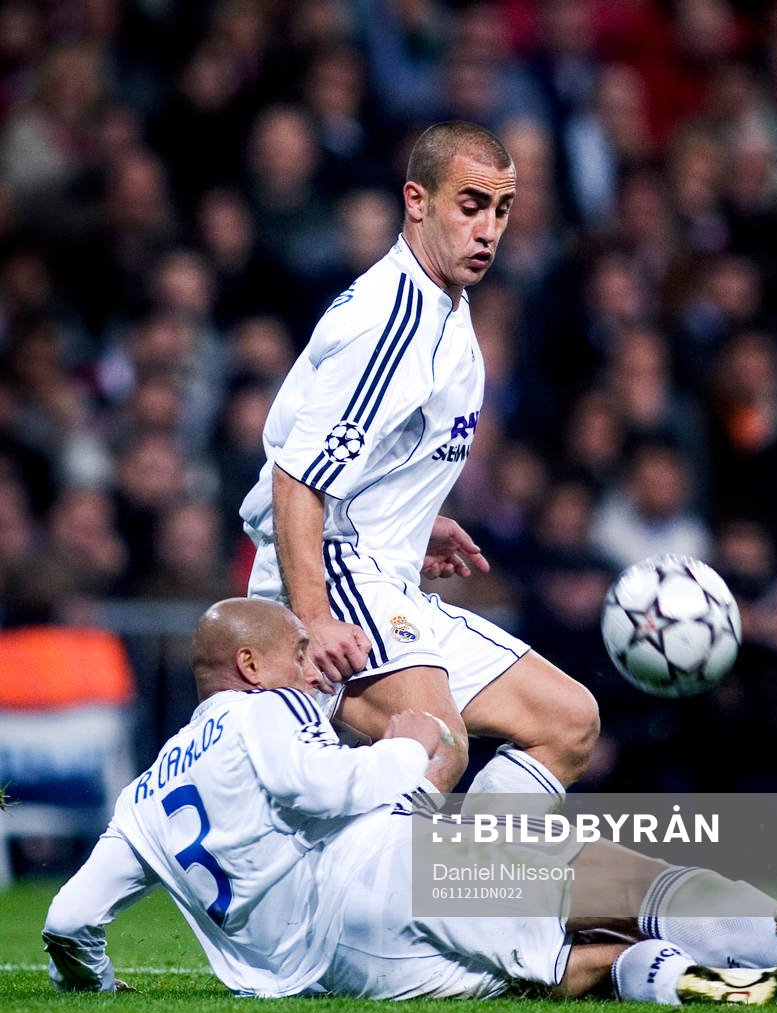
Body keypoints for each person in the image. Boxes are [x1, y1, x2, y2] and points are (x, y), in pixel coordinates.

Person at [43, 599, 777, 1007]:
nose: (316, 665)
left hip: (349, 974)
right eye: (298, 650)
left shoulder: (143, 792)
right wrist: (409, 749)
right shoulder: (254, 721)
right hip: (392, 875)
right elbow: (320, 785)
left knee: (585, 970)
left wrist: (94, 980)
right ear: (248, 667)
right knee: (618, 876)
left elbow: (70, 919)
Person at [239, 120, 599, 802]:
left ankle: (484, 889)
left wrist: (411, 519)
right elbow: (295, 477)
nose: (488, 229)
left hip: (387, 576)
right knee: (436, 742)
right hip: (336, 572)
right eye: (470, 206)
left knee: (569, 721)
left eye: (502, 210)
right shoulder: (393, 321)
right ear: (417, 200)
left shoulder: (446, 309)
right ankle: (398, 898)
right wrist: (312, 622)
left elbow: (360, 453)